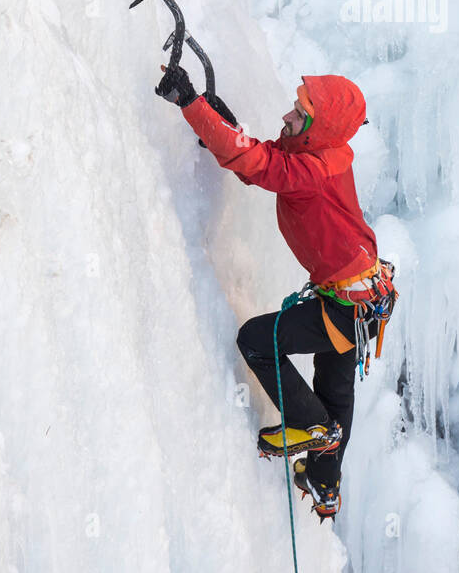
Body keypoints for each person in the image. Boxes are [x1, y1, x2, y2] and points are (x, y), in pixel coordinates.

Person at [156, 64, 393, 520]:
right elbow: (263, 159)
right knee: (336, 392)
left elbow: (260, 165)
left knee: (256, 342)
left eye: (300, 113)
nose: (288, 115)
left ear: (318, 128)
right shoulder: (327, 152)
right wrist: (218, 123)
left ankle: (311, 426)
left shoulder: (312, 170)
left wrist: (191, 105)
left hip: (345, 307)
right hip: (360, 301)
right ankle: (325, 484)